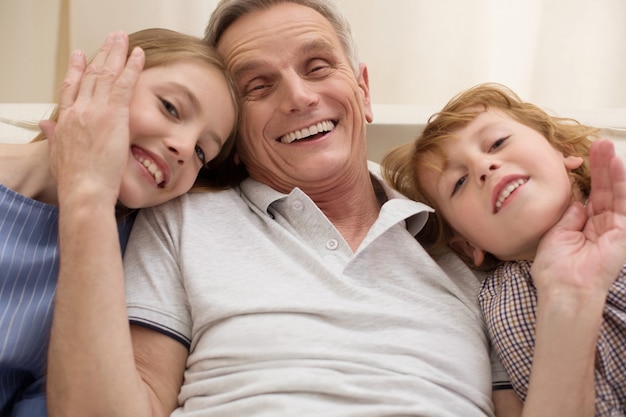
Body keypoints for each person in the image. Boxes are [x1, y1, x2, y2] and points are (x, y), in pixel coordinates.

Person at [46, 1, 626, 417]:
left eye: (318, 66)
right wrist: (87, 197)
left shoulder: (465, 230)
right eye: (257, 86)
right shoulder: (184, 216)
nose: (299, 97)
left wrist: (573, 301)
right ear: (232, 135)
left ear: (364, 90)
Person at [0, 27, 238, 417]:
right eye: (171, 108)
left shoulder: (132, 260)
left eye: (201, 151)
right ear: (102, 76)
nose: (183, 148)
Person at [381, 82, 626, 416]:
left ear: (563, 149)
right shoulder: (502, 303)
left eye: (497, 143)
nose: (484, 167)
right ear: (468, 245)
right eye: (459, 182)